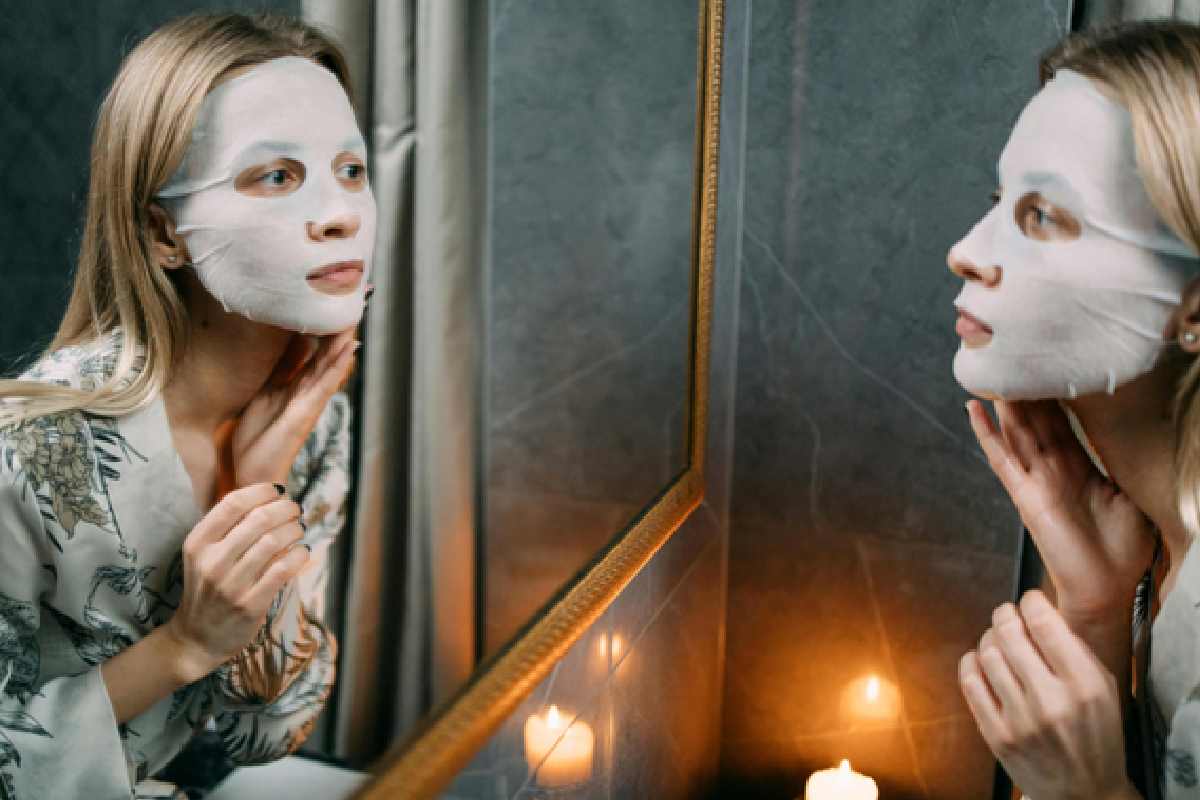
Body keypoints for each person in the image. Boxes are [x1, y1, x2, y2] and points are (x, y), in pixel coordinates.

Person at [0, 12, 375, 799]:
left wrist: (258, 488)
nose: (342, 213)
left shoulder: (311, 420)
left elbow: (268, 731)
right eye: (276, 176)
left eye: (350, 169)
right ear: (163, 232)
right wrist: (184, 644)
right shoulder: (25, 456)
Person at [947, 20, 1200, 800]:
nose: (966, 252)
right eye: (1000, 202)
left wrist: (1088, 795)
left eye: (1043, 217)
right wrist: (1094, 616)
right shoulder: (1164, 556)